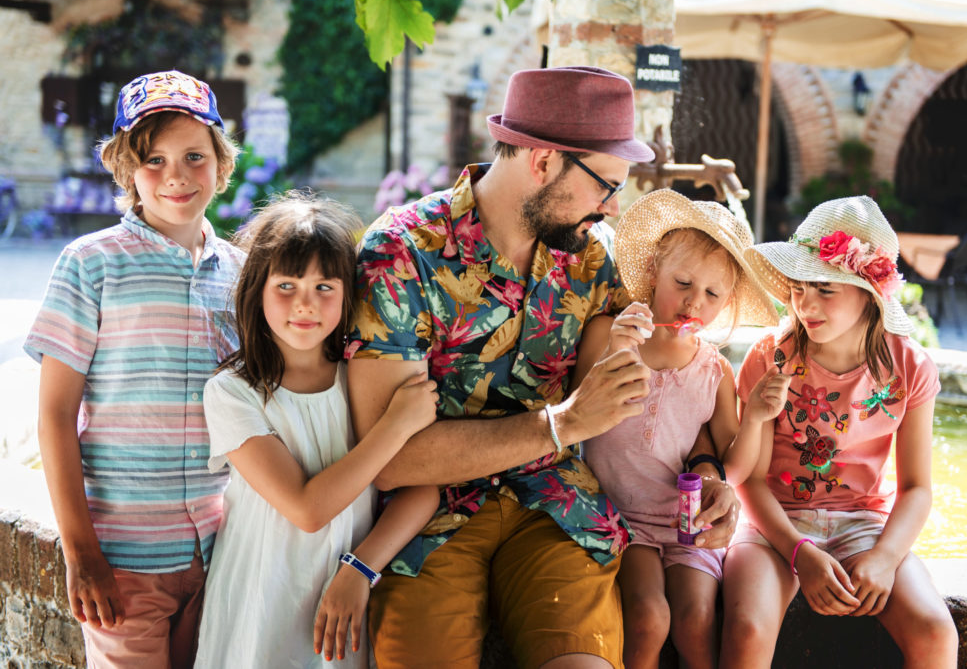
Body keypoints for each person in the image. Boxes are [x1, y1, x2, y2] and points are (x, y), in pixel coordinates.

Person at [346, 66, 740, 669]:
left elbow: (675, 380)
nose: (610, 208)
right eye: (604, 185)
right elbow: (389, 456)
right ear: (542, 161)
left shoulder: (592, 259)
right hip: (426, 520)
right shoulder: (401, 255)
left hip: (559, 509)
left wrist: (713, 473)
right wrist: (559, 425)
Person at [25, 70, 243, 668]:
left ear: (221, 166)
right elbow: (53, 415)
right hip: (123, 559)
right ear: (126, 170)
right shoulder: (90, 264)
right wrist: (81, 553)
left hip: (224, 552)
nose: (176, 175)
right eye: (153, 159)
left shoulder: (246, 273)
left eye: (195, 156)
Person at [193, 192, 439, 668]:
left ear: (349, 294)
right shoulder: (233, 392)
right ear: (256, 289)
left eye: (324, 287)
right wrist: (395, 425)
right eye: (286, 285)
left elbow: (423, 488)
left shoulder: (365, 379)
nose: (305, 305)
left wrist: (360, 569)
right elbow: (307, 509)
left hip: (346, 596)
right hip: (261, 598)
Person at [721, 196, 959, 668]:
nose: (805, 304)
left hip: (865, 528)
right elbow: (749, 479)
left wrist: (886, 557)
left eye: (826, 289)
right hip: (774, 527)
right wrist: (799, 553)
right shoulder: (772, 357)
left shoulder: (909, 368)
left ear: (869, 294)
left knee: (935, 632)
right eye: (798, 287)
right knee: (748, 628)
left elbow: (916, 489)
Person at [574, 189, 779, 669]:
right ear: (652, 274)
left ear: (727, 302)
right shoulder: (610, 332)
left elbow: (734, 464)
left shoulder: (715, 371)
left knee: (697, 619)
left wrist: (753, 420)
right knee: (647, 618)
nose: (693, 302)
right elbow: (577, 407)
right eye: (683, 282)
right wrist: (615, 353)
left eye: (712, 294)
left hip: (687, 523)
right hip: (625, 518)